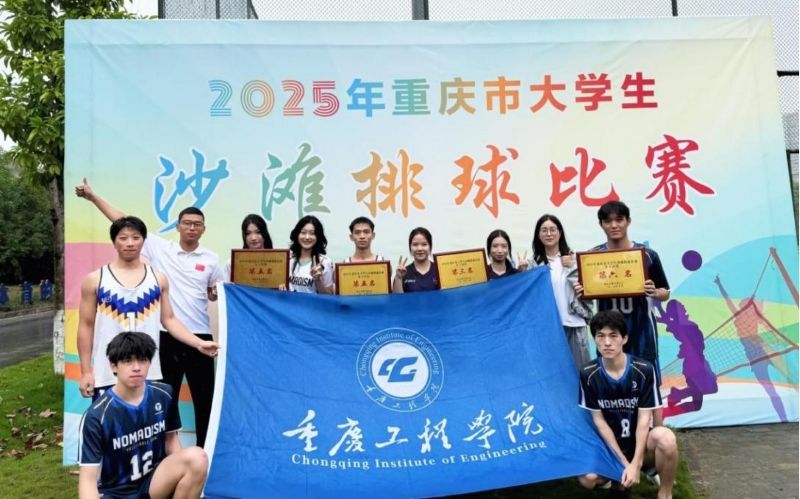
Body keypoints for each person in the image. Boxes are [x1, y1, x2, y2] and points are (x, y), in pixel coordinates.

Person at [76, 178, 223, 448]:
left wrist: (202, 335)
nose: (130, 242)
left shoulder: (208, 260)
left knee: (200, 401)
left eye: (197, 224)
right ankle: (145, 460)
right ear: (178, 226)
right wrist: (93, 197)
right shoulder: (158, 251)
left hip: (193, 338)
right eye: (187, 223)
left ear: (203, 229)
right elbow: (124, 221)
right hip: (158, 341)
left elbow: (211, 295)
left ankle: (203, 455)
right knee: (156, 405)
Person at [77, 216, 219, 401]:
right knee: (110, 421)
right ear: (114, 241)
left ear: (143, 241)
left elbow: (169, 320)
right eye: (123, 238)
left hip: (149, 375)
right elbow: (86, 326)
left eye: (136, 237)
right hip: (108, 374)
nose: (130, 243)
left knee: (152, 420)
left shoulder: (158, 279)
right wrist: (86, 371)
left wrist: (199, 343)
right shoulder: (95, 280)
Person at [78, 332, 209, 499]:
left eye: (142, 360)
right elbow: (88, 478)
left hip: (153, 482)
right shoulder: (97, 415)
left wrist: (180, 478)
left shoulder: (164, 394)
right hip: (115, 492)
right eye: (128, 361)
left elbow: (171, 441)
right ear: (113, 366)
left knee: (198, 458)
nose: (136, 367)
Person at [578, 311, 678, 499]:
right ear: (594, 339)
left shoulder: (643, 370)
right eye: (601, 336)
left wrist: (636, 463)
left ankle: (665, 493)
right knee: (587, 478)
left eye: (613, 336)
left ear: (624, 339)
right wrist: (625, 463)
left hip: (639, 442)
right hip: (608, 446)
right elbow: (599, 422)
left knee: (666, 438)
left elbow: (644, 420)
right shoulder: (588, 373)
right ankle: (614, 478)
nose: (607, 342)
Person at [579, 201, 670, 394]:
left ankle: (651, 415)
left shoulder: (647, 255)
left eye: (619, 220)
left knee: (647, 385)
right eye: (608, 221)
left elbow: (665, 292)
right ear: (601, 224)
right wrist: (582, 292)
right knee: (610, 384)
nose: (614, 225)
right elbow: (587, 296)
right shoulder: (593, 258)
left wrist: (655, 292)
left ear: (628, 221)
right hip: (608, 331)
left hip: (641, 329)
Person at [531, 214, 592, 370]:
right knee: (551, 371)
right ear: (538, 235)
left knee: (580, 371)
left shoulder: (574, 260)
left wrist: (573, 268)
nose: (549, 234)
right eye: (544, 230)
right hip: (548, 326)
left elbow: (589, 291)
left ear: (560, 233)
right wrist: (523, 272)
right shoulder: (533, 264)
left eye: (553, 229)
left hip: (574, 322)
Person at [287, 215, 334, 294]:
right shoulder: (289, 259)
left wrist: (318, 280)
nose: (307, 237)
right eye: (303, 233)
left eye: (312, 233)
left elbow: (329, 295)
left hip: (313, 302)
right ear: (297, 234)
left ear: (318, 237)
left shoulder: (325, 262)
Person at [224, 214, 274, 282]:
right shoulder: (232, 263)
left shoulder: (279, 261)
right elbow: (227, 287)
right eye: (248, 233)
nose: (253, 238)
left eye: (258, 232)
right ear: (244, 236)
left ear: (264, 234)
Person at [393, 227, 438, 293]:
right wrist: (398, 278)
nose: (419, 248)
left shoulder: (439, 271)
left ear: (430, 247)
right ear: (410, 247)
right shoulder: (403, 273)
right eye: (415, 244)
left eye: (424, 244)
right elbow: (397, 298)